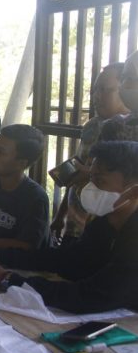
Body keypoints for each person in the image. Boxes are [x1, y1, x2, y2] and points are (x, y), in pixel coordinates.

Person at [0, 141, 138, 314]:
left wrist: (7, 280)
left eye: (100, 181)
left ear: (134, 191)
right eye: (90, 178)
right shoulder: (104, 223)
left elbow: (91, 296)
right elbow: (69, 260)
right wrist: (0, 255)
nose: (90, 188)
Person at [51, 64, 130, 245]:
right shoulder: (92, 126)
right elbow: (77, 172)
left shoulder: (131, 131)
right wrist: (60, 216)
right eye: (95, 89)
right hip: (74, 227)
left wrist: (92, 175)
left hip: (106, 232)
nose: (96, 96)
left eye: (105, 89)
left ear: (125, 90)